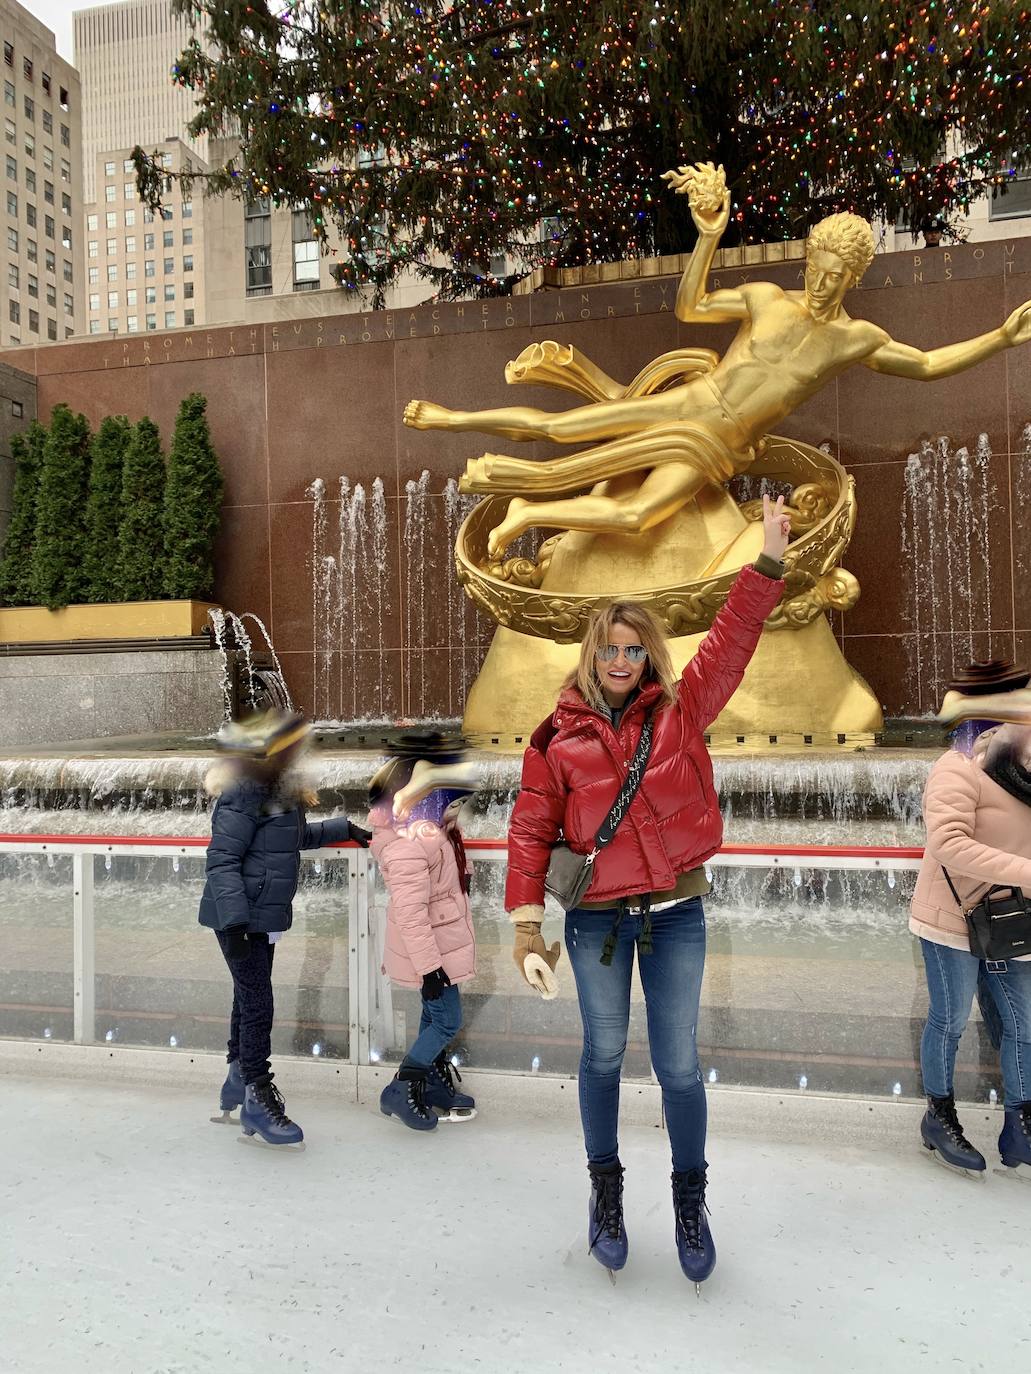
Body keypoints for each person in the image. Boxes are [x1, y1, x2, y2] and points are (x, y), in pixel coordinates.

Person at [404, 161, 1031, 559]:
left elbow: (923, 366)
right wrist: (707, 237)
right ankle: (450, 417)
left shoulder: (855, 338)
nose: (819, 283)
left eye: (834, 276)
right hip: (691, 404)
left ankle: (529, 512)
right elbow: (693, 305)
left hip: (719, 445)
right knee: (558, 427)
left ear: (852, 278)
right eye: (815, 268)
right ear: (808, 259)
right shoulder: (764, 297)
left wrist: (998, 340)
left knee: (639, 513)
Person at [504, 493, 790, 1286]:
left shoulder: (682, 712)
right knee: (600, 1055)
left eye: (634, 650)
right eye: (610, 650)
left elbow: (731, 645)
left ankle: (690, 1202)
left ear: (648, 656)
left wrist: (766, 559)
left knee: (678, 1066)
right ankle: (605, 1195)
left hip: (675, 915)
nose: (621, 662)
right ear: (592, 655)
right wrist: (527, 927)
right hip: (596, 921)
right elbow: (530, 830)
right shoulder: (557, 739)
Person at [199, 709, 370, 1148]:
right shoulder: (244, 793)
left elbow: (286, 840)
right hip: (241, 917)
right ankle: (257, 1094)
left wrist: (341, 828)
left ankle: (237, 1079)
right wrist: (236, 921)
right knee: (259, 1003)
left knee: (248, 997)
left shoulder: (278, 790)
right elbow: (222, 860)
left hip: (261, 916)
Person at [911, 718, 1031, 1179]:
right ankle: (938, 1118)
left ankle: (1020, 1125)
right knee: (950, 1019)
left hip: (1011, 923)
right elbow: (948, 843)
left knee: (1023, 1025)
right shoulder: (958, 765)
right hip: (951, 921)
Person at [369, 738, 479, 1131]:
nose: (456, 810)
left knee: (434, 1016)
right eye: (451, 803)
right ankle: (403, 1084)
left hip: (439, 944)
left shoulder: (426, 832)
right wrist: (431, 970)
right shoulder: (409, 844)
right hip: (431, 952)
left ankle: (429, 1082)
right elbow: (411, 913)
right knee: (447, 1020)